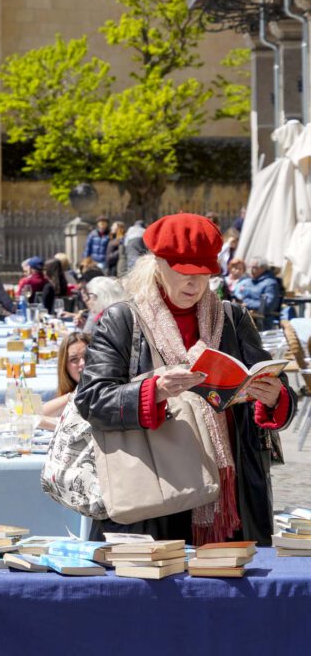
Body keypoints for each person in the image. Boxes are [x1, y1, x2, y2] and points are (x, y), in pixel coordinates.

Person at [75, 213, 296, 545]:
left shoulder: (233, 318)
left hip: (230, 494)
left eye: (205, 275)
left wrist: (274, 398)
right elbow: (91, 400)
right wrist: (154, 390)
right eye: (184, 274)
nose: (195, 286)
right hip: (154, 490)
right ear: (158, 264)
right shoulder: (122, 320)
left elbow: (278, 395)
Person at [39, 332, 92, 428]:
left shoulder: (105, 391)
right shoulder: (76, 393)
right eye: (74, 359)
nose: (82, 363)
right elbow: (36, 415)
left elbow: (82, 427)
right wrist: (73, 396)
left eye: (87, 356)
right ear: (65, 367)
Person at [242, 257, 283, 329]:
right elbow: (243, 298)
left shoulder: (270, 283)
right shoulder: (248, 281)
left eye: (254, 268)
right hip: (246, 317)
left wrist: (248, 304)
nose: (251, 270)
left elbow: (267, 304)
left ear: (263, 268)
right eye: (250, 267)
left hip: (262, 320)